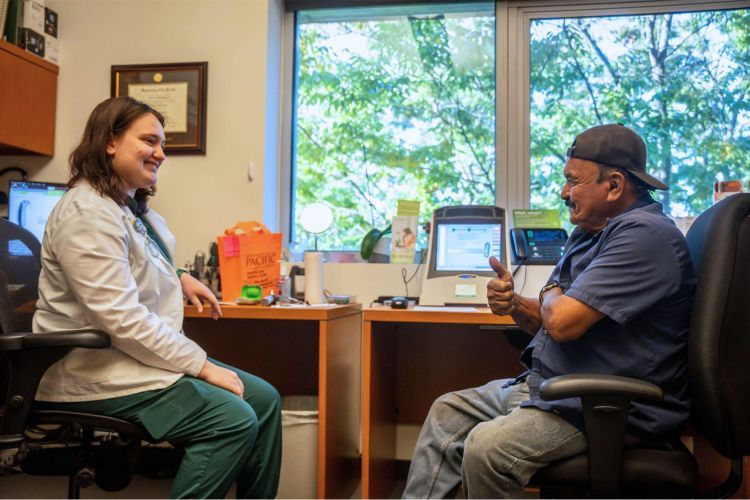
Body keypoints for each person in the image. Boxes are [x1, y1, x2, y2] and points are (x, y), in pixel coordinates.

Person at [403, 124, 696, 498]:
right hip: (554, 389)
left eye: (573, 181)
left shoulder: (645, 236)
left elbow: (561, 321)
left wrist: (549, 290)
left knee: (487, 448)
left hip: (604, 408)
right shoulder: (592, 231)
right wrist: (514, 305)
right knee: (447, 412)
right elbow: (549, 317)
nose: (563, 192)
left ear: (615, 185)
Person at [32, 97, 281, 499]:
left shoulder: (123, 207)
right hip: (95, 369)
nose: (160, 153)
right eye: (149, 140)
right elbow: (122, 319)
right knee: (232, 419)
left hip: (128, 355)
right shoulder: (87, 214)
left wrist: (180, 275)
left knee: (265, 400)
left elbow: (134, 259)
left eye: (162, 144)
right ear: (110, 142)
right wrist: (200, 366)